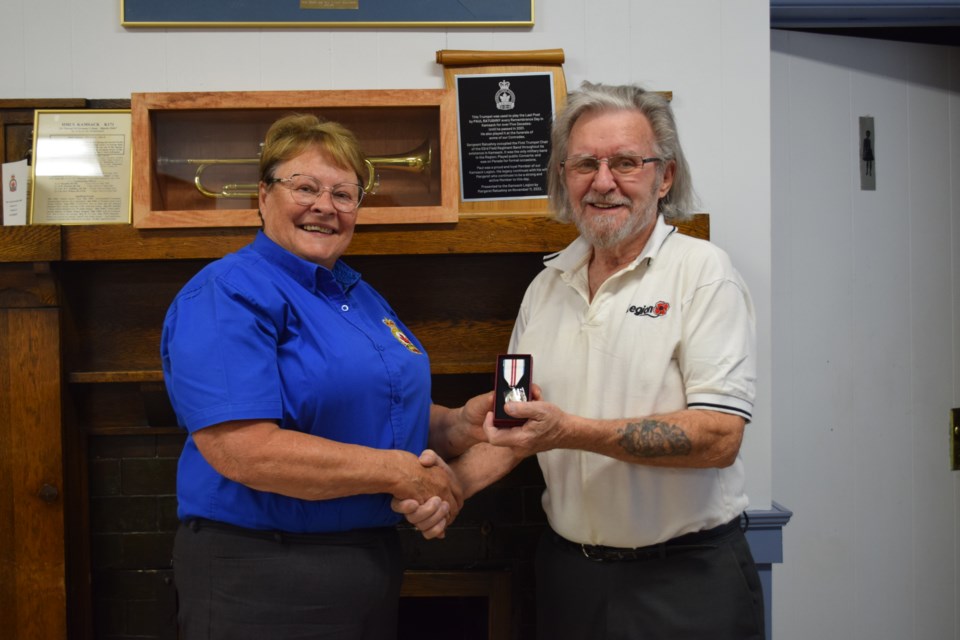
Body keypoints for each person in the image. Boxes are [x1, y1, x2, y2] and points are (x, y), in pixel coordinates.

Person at [396, 82, 765, 639]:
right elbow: (515, 425)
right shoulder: (543, 288)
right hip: (571, 578)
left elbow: (719, 437)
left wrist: (571, 430)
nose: (603, 181)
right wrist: (451, 489)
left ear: (664, 177)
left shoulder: (705, 274)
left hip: (687, 580)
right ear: (565, 178)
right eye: (584, 164)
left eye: (625, 162)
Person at [161, 113, 489, 640]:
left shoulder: (356, 294)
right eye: (305, 187)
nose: (324, 207)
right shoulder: (228, 294)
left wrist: (458, 425)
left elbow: (370, 410)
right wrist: (400, 473)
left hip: (365, 567)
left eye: (344, 193)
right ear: (263, 196)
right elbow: (244, 450)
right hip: (263, 576)